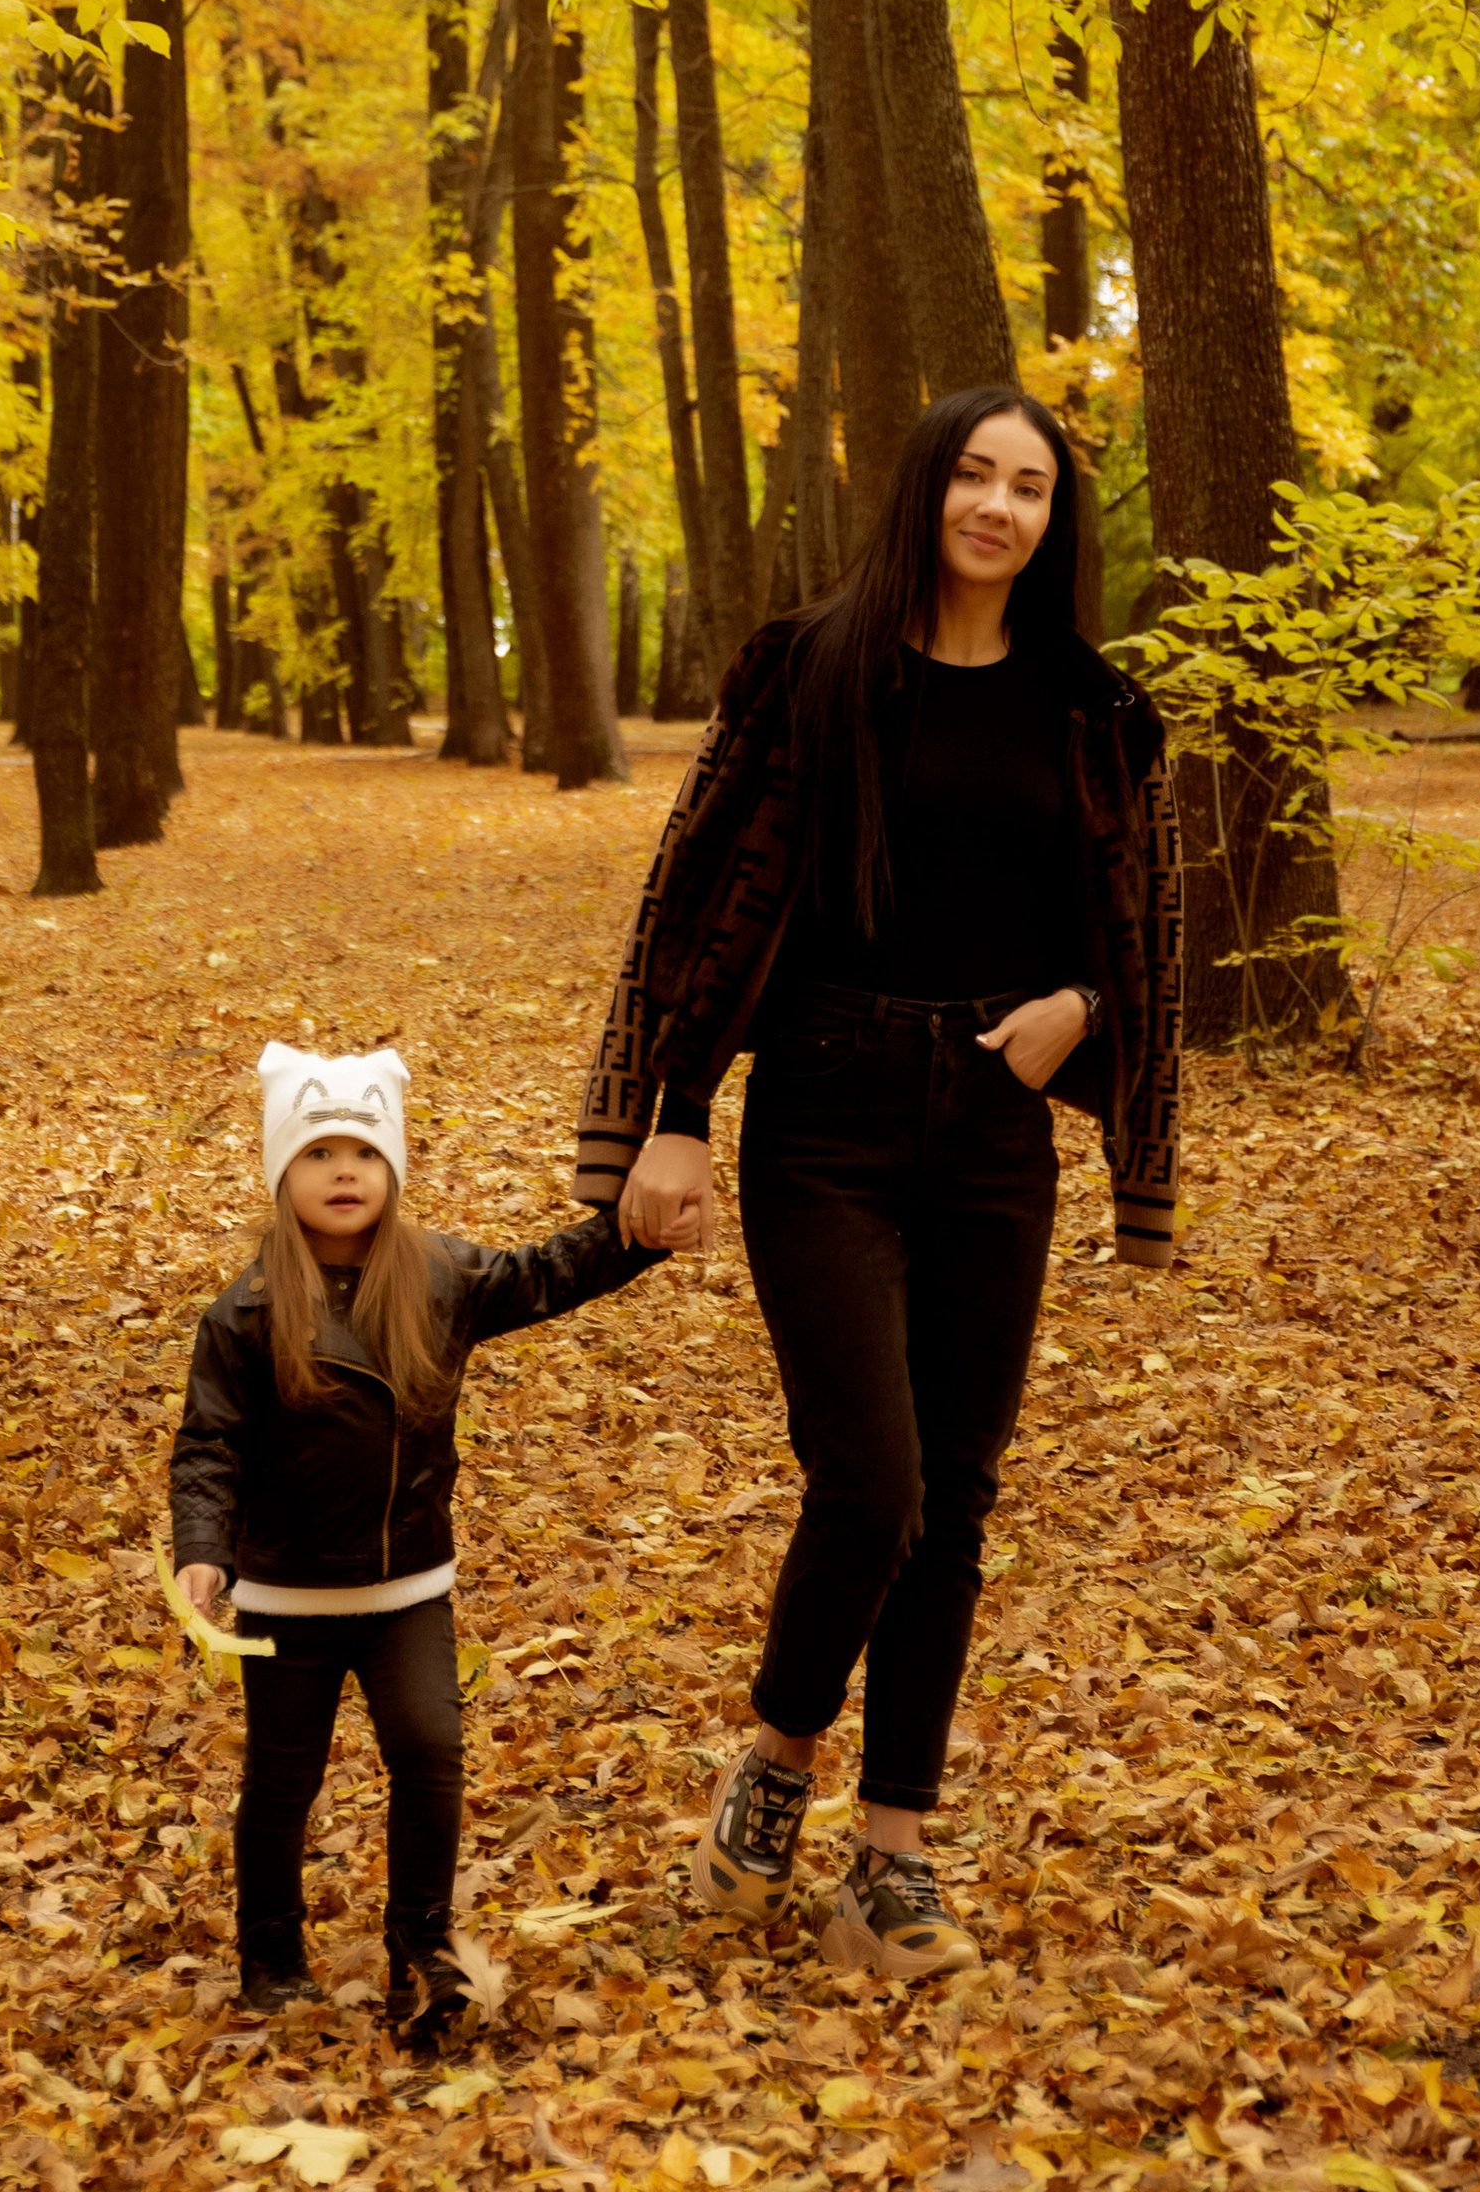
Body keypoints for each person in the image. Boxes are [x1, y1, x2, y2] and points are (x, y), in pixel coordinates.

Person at [574, 387, 1183, 1982]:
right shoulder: (808, 667)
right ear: (924, 490)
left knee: (961, 1498)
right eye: (974, 475)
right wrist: (672, 1111)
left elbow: (1133, 934)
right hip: (827, 1114)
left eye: (1031, 487)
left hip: (995, 1124)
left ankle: (891, 1856)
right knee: (876, 1481)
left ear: (1057, 522)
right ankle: (777, 1765)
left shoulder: (1092, 710)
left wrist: (1088, 1018)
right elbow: (699, 893)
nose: (998, 506)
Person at [172, 1040, 664, 2043]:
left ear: (391, 1168)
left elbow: (550, 1273)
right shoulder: (247, 1312)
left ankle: (421, 1954)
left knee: (431, 1751)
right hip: (287, 1597)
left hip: (405, 1590)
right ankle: (269, 1955)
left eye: (362, 1151)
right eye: (317, 1154)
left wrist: (641, 1232)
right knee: (281, 1778)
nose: (342, 1170)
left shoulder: (442, 1278)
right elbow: (208, 1443)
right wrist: (202, 1548)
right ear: (281, 1177)